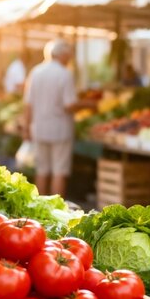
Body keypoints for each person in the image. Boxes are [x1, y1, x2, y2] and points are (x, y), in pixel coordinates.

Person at [23, 40, 94, 197]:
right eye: (68, 55)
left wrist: (26, 128)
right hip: (60, 130)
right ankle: (55, 210)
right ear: (62, 55)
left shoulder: (36, 72)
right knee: (59, 171)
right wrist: (89, 105)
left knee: (42, 170)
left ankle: (38, 208)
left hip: (39, 128)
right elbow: (69, 105)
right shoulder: (64, 74)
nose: (69, 58)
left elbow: (28, 104)